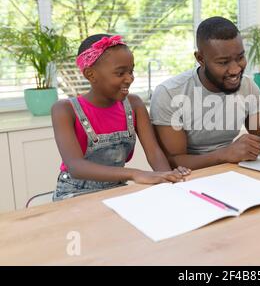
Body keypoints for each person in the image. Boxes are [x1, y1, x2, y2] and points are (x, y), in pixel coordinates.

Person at [150, 16, 260, 170]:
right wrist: (225, 154)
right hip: (191, 179)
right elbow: (174, 161)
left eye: (240, 57)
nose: (235, 69)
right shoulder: (170, 93)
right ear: (200, 58)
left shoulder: (247, 86)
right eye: (223, 62)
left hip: (232, 172)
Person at [52, 34, 190, 201]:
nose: (130, 78)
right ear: (91, 74)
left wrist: (168, 178)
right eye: (120, 73)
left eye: (131, 71)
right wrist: (135, 174)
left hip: (116, 189)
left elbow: (154, 152)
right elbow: (76, 166)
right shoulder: (64, 110)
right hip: (74, 193)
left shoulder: (135, 104)